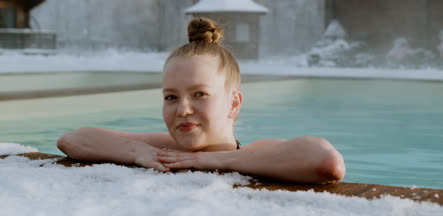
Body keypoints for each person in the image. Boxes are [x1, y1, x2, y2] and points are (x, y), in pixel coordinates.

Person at [57, 18, 345, 184]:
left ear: (233, 104)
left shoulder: (254, 154)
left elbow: (326, 162)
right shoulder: (165, 149)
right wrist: (137, 152)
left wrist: (207, 160)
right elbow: (73, 140)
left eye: (200, 94)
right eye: (171, 97)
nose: (182, 109)